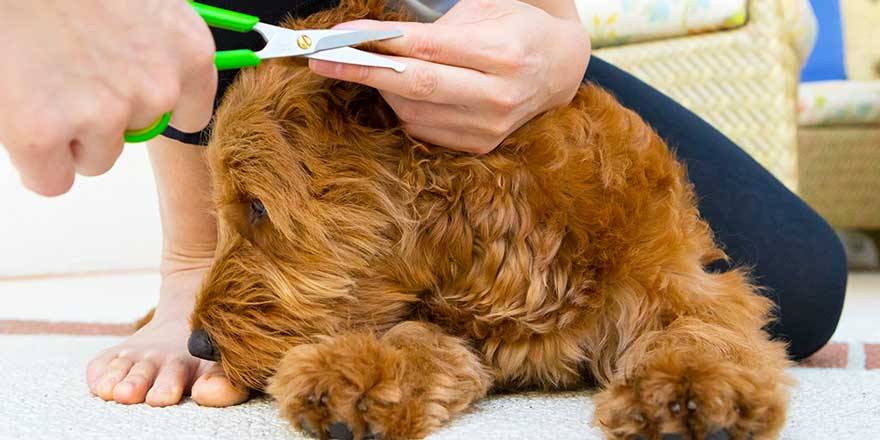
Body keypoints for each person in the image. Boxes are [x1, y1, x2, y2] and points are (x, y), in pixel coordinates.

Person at [0, 0, 846, 408]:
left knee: (802, 285)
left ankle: (431, 313)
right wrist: (194, 257)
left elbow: (544, 19)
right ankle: (409, 333)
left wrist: (555, 38)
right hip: (275, 24)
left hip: (436, 24)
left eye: (251, 221)